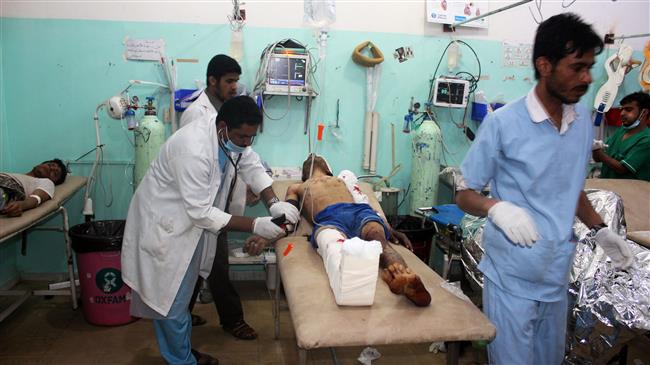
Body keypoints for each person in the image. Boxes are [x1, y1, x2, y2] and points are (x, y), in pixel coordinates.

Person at [455, 13, 634, 365]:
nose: (587, 78)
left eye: (590, 67)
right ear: (545, 65)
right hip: (511, 278)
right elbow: (464, 193)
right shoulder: (504, 124)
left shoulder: (582, 122)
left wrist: (599, 230)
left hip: (555, 277)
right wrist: (497, 208)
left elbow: (571, 187)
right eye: (577, 67)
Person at [121, 96, 299, 365]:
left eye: (252, 137)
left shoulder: (229, 138)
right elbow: (200, 212)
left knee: (181, 296)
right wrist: (255, 224)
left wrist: (274, 204)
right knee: (170, 301)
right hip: (167, 228)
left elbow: (251, 164)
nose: (247, 143)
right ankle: (182, 360)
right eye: (242, 136)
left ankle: (182, 352)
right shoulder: (192, 149)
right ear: (224, 127)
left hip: (191, 229)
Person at [246, 154, 431, 307]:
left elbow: (363, 200)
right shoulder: (296, 187)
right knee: (332, 245)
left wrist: (390, 229)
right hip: (329, 220)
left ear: (328, 168)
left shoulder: (342, 179)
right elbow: (288, 217)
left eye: (316, 157)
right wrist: (266, 237)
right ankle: (384, 277)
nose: (311, 157)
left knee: (379, 240)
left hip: (358, 213)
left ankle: (405, 278)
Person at [180, 54, 259, 339]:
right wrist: (255, 225)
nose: (234, 86)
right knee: (212, 268)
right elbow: (197, 163)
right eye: (229, 81)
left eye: (237, 80)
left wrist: (261, 188)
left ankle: (183, 315)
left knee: (204, 267)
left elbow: (244, 157)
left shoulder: (230, 111)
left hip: (219, 206)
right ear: (211, 80)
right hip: (201, 208)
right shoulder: (195, 115)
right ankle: (232, 320)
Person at [593, 91, 650, 181]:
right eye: (621, 109)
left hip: (633, 192)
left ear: (644, 112)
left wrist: (597, 150)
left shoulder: (647, 139)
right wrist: (594, 148)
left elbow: (622, 169)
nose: (622, 113)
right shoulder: (621, 131)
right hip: (609, 188)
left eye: (628, 109)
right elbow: (598, 158)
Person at [0, 159, 67, 217]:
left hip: (6, 190)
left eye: (55, 173)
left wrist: (21, 205)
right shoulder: (16, 175)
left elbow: (35, 199)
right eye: (50, 165)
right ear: (40, 164)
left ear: (54, 181)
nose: (51, 169)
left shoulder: (47, 182)